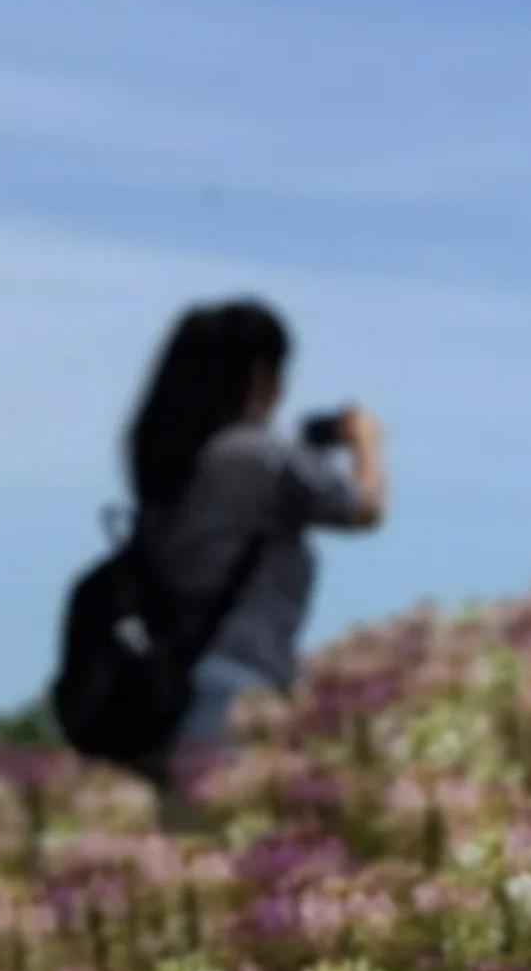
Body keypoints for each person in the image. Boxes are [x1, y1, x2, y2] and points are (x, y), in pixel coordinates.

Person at [123, 298, 387, 784]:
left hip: (163, 693)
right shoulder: (257, 453)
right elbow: (364, 508)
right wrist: (367, 440)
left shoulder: (167, 460)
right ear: (261, 373)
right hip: (238, 693)